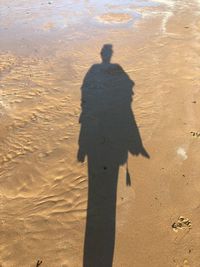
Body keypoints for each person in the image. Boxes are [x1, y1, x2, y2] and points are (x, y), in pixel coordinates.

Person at [77, 44, 149, 267]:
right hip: (106, 141)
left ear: (104, 55)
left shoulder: (92, 71)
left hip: (96, 139)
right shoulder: (105, 72)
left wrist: (82, 146)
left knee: (99, 193)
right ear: (106, 55)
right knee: (104, 195)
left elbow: (85, 99)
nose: (105, 56)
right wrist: (136, 144)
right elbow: (127, 98)